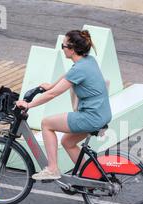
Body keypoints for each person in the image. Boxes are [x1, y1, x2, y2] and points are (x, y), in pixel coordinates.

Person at [16, 30, 112, 180]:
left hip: (90, 117)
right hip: (102, 115)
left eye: (63, 46)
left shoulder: (79, 69)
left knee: (46, 124)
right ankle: (91, 176)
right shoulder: (88, 60)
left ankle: (52, 169)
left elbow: (53, 94)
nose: (62, 48)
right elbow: (69, 74)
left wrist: (29, 105)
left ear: (72, 49)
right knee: (67, 141)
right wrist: (51, 85)